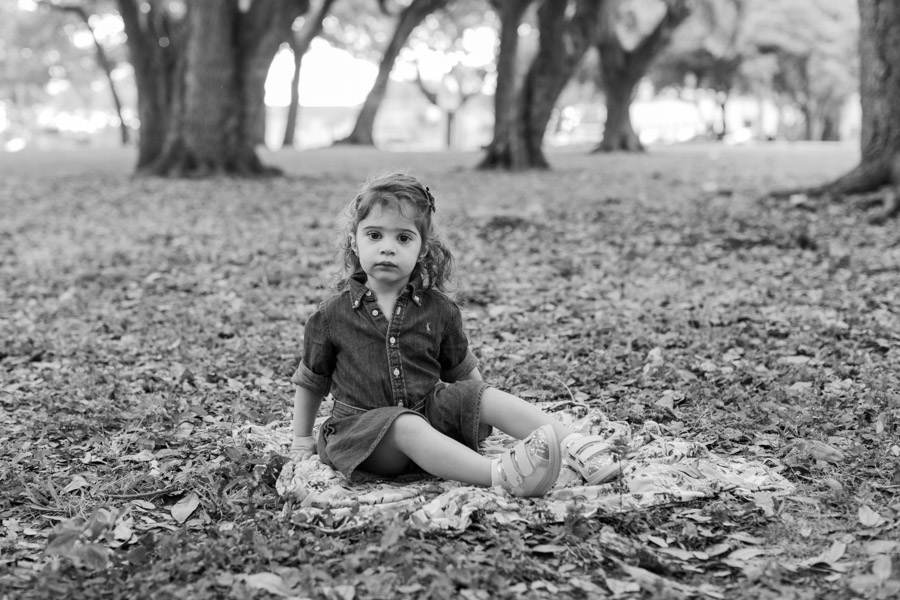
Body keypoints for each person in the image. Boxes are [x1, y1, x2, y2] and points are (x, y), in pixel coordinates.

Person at [290, 173, 621, 497]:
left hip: (427, 416)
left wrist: (476, 411)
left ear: (422, 249)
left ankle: (575, 445)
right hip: (363, 436)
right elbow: (312, 381)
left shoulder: (438, 309)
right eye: (374, 235)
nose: (387, 248)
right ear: (354, 240)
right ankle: (502, 475)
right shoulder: (332, 315)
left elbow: (464, 376)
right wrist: (302, 438)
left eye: (403, 238)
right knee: (404, 423)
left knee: (479, 395)